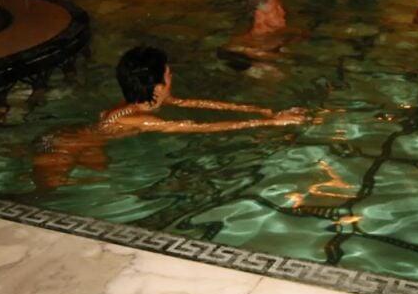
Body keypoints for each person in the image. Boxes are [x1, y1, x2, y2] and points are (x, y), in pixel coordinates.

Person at [33, 46, 309, 189]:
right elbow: (200, 128)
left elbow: (200, 104)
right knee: (54, 189)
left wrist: (259, 110)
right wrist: (270, 124)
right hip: (64, 145)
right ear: (157, 86)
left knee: (99, 176)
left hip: (90, 141)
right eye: (168, 73)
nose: (172, 75)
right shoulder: (141, 119)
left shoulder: (149, 101)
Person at [219, 0, 306, 69]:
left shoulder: (289, 33)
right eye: (276, 8)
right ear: (260, 15)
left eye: (281, 7)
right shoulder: (244, 42)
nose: (283, 12)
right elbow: (228, 50)